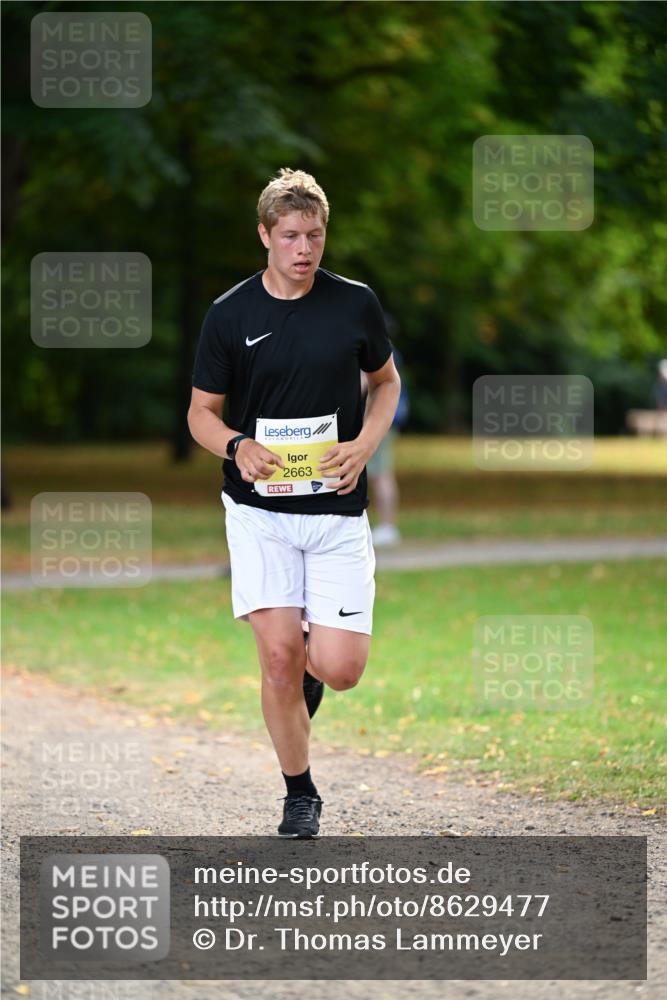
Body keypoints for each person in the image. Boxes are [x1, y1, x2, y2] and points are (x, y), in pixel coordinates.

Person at [187, 168, 401, 838]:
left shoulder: (354, 304)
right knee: (278, 656)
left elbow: (385, 383)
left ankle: (308, 674)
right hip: (259, 514)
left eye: (313, 235)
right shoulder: (230, 315)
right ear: (264, 236)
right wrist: (234, 447)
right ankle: (299, 793)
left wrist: (365, 443)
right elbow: (199, 412)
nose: (303, 248)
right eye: (289, 236)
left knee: (337, 670)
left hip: (335, 511)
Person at [363, 327, 408, 546]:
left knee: (380, 474)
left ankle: (388, 526)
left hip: (378, 419)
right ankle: (386, 526)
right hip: (386, 419)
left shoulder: (378, 352)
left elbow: (364, 383)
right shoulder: (390, 351)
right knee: (381, 473)